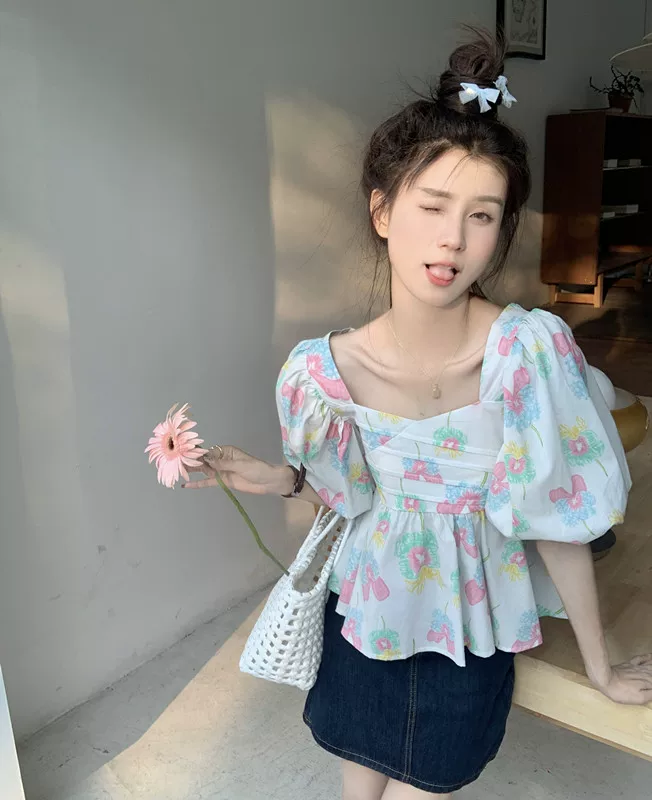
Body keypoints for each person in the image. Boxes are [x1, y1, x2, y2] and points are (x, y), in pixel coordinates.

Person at [184, 29, 652, 800]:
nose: (452, 239)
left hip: (469, 641)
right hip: (360, 627)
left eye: (482, 215)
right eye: (432, 205)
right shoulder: (320, 375)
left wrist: (598, 666)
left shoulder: (529, 356)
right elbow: (348, 496)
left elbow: (557, 519)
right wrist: (276, 479)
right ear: (382, 211)